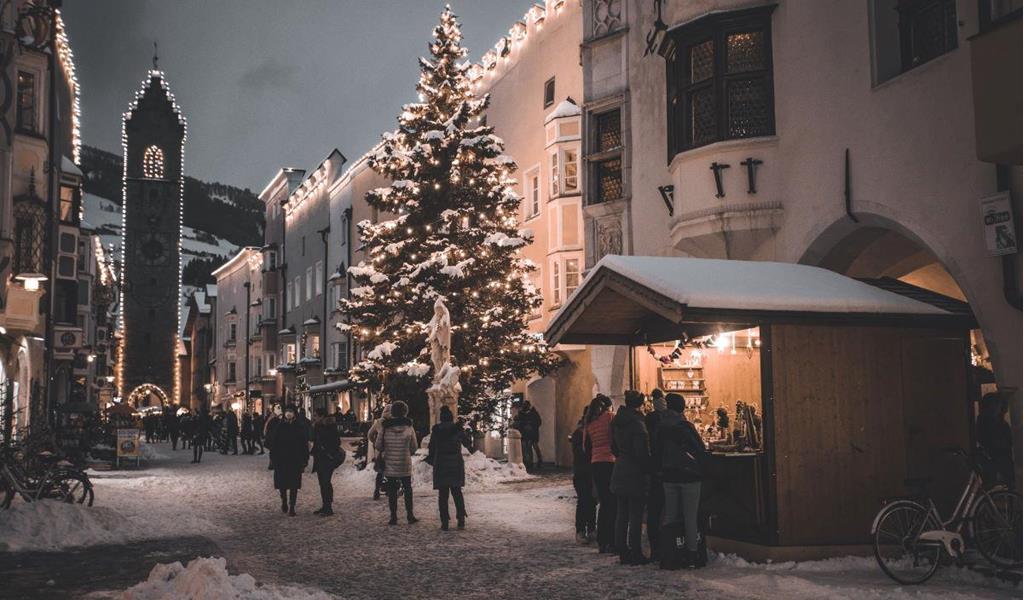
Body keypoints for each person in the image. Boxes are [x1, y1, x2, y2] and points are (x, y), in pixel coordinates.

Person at [655, 392, 708, 568]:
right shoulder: (685, 426)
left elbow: (656, 451)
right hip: (689, 476)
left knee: (670, 515)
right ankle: (692, 555)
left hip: (669, 476)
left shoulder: (661, 426)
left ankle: (670, 553)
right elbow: (700, 449)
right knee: (690, 516)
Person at [611, 390, 651, 565]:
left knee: (622, 513)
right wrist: (647, 469)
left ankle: (622, 550)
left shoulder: (617, 421)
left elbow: (613, 447)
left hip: (620, 468)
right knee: (635, 515)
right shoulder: (637, 424)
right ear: (639, 404)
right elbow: (641, 453)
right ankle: (635, 551)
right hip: (634, 472)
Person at [375, 400, 418, 525]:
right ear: (405, 412)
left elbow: (378, 445)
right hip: (405, 462)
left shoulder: (385, 427)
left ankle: (393, 517)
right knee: (408, 488)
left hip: (390, 463)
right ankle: (410, 515)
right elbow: (414, 447)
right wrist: (406, 451)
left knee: (392, 490)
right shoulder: (409, 427)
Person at [584, 394, 616, 554]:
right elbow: (616, 438)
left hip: (596, 464)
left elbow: (586, 447)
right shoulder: (609, 417)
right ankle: (611, 540)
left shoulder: (589, 423)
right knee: (612, 503)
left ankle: (602, 541)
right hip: (610, 462)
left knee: (604, 503)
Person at [427, 406, 467, 531]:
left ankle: (444, 521)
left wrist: (432, 460)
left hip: (441, 463)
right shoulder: (457, 429)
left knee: (443, 495)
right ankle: (461, 518)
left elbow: (431, 448)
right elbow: (467, 441)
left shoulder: (437, 430)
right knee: (457, 492)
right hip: (455, 463)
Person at [272, 405, 310, 516]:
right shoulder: (280, 426)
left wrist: (304, 459)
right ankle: (284, 501)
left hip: (295, 459)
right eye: (287, 411)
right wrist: (274, 458)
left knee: (294, 485)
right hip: (282, 459)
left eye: (291, 411)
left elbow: (304, 443)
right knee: (282, 485)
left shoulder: (299, 426)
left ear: (294, 413)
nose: (289, 413)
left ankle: (292, 506)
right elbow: (274, 443)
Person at [645, 388, 668, 557]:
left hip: (653, 470)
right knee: (663, 509)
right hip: (663, 471)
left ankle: (656, 547)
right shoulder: (667, 421)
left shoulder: (649, 420)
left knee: (654, 510)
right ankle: (664, 545)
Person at [977, 391, 1015, 489]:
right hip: (997, 458)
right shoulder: (994, 423)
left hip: (996, 458)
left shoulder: (985, 420)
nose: (999, 408)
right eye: (998, 404)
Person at [570, 406, 596, 544]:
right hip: (582, 471)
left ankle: (591, 529)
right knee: (584, 500)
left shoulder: (588, 431)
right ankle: (581, 530)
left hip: (590, 470)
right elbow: (579, 454)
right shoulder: (580, 433)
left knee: (591, 501)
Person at [312, 409, 342, 516]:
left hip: (327, 459)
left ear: (322, 416)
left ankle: (328, 508)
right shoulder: (318, 426)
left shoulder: (329, 426)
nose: (314, 417)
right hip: (320, 458)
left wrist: (329, 453)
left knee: (325, 482)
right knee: (323, 483)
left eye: (315, 415)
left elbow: (336, 442)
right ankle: (325, 506)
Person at [367, 404, 391, 500]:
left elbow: (369, 434)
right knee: (391, 471)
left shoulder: (378, 422)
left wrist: (375, 442)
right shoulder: (394, 422)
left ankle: (376, 490)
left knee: (380, 471)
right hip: (391, 450)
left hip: (380, 450)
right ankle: (389, 490)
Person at [513, 400, 543, 471]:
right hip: (525, 433)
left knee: (533, 446)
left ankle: (538, 460)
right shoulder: (522, 413)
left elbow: (538, 422)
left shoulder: (533, 413)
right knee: (528, 447)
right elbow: (518, 421)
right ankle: (530, 462)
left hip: (533, 432)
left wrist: (531, 425)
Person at [264, 404, 282, 470]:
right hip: (275, 439)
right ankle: (273, 463)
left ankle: (272, 464)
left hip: (272, 439)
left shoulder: (271, 421)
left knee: (273, 452)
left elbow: (268, 430)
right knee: (275, 452)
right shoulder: (278, 421)